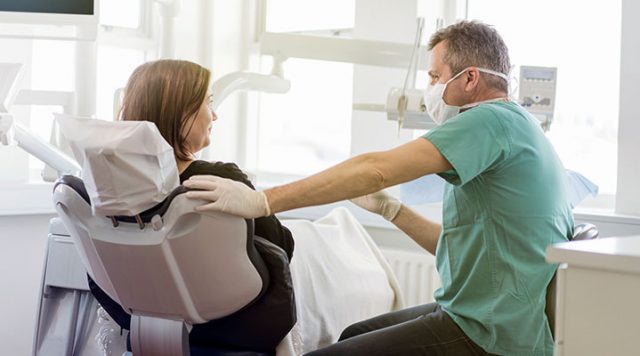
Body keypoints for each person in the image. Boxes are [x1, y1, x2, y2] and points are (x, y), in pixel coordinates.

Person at [183, 20, 574, 355]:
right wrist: (392, 211)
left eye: (436, 77)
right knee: (354, 335)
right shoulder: (519, 128)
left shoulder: (490, 121)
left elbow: (376, 168)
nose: (430, 89)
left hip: (488, 334)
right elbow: (458, 248)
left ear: (470, 78)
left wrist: (263, 200)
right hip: (487, 317)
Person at [87, 59, 296, 353]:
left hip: (144, 324)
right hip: (231, 326)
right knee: (333, 235)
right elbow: (283, 247)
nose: (215, 114)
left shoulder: (107, 191)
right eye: (209, 103)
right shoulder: (220, 180)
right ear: (181, 114)